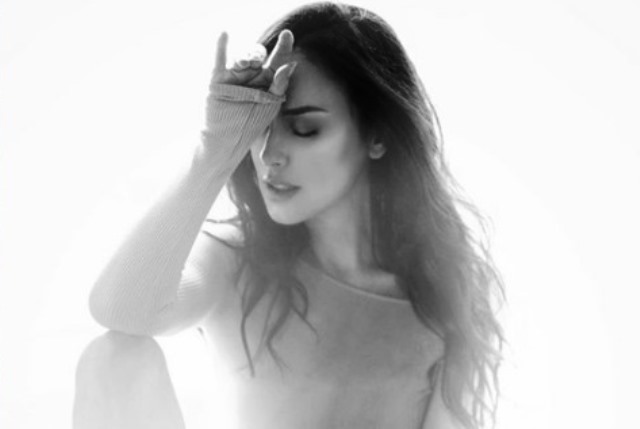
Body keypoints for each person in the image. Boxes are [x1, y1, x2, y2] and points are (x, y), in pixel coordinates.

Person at [73, 2, 505, 428]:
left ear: (377, 135)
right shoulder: (234, 259)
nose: (268, 155)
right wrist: (218, 146)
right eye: (260, 128)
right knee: (115, 358)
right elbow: (118, 311)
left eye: (304, 129)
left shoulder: (443, 293)